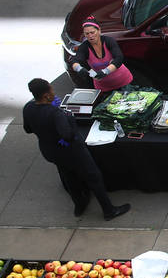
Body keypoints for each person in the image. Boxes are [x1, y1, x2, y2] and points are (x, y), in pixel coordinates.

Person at [22, 78, 131, 220]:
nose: (53, 93)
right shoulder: (55, 113)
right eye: (51, 90)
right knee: (94, 176)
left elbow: (28, 129)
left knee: (68, 176)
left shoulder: (28, 108)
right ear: (46, 96)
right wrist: (70, 121)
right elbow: (67, 135)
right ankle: (109, 210)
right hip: (71, 151)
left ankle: (79, 204)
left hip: (49, 152)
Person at [68, 17, 134, 91]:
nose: (90, 36)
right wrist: (79, 69)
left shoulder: (109, 41)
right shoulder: (84, 47)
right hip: (103, 87)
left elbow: (119, 58)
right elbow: (75, 60)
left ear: (99, 30)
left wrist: (105, 71)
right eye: (87, 34)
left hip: (123, 81)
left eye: (92, 32)